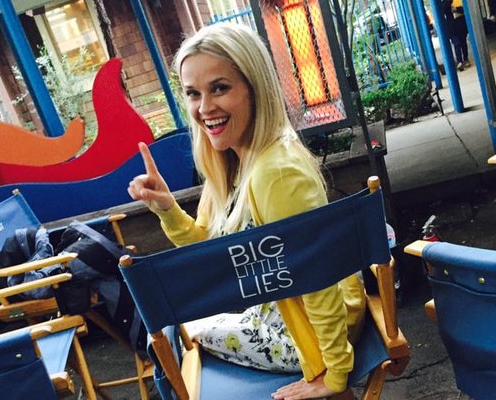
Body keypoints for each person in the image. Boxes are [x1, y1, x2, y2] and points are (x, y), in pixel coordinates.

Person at [127, 22, 365, 400]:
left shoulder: (276, 172)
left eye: (219, 88)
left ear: (255, 88)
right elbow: (209, 249)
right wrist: (166, 208)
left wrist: (334, 374)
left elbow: (317, 277)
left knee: (177, 339)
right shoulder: (233, 160)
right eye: (193, 93)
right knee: (177, 334)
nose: (204, 108)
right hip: (278, 311)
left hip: (306, 332)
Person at [443, 0, 470, 71]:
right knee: (456, 43)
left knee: (463, 42)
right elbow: (443, 9)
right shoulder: (445, 2)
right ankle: (459, 61)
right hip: (452, 27)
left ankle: (466, 59)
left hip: (460, 23)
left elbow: (465, 8)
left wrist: (457, 9)